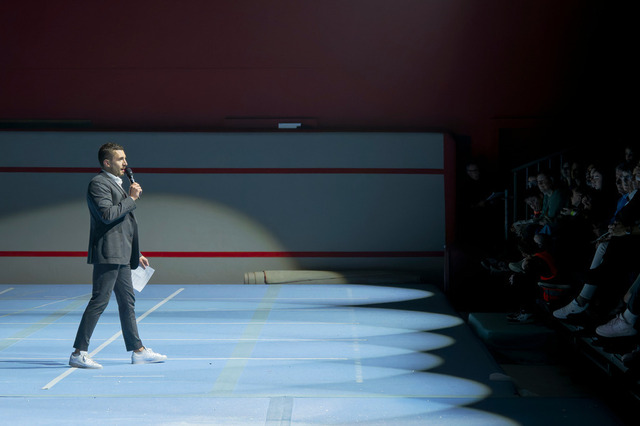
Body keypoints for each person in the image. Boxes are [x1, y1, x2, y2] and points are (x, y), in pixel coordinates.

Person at [69, 142, 167, 369]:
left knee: (127, 301)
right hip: (109, 253)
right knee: (99, 301)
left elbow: (122, 225)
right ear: (107, 162)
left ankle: (138, 351)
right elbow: (107, 215)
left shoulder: (116, 184)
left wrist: (136, 252)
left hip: (122, 253)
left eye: (125, 158)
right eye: (120, 159)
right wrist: (131, 199)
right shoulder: (98, 184)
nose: (126, 163)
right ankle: (78, 353)